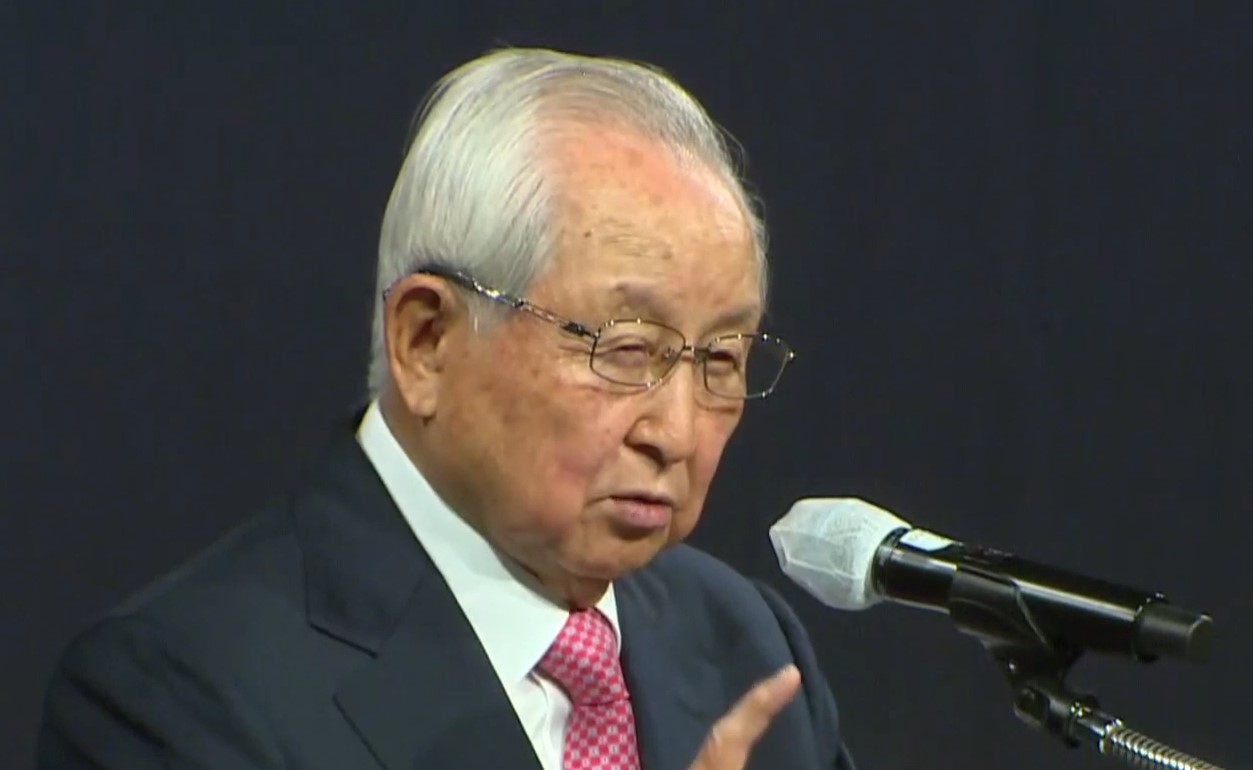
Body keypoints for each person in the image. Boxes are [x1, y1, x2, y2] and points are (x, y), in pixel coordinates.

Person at [37, 47, 855, 770]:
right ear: (426, 341)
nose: (675, 433)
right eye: (626, 349)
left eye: (719, 360)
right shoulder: (176, 690)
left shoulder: (745, 645)